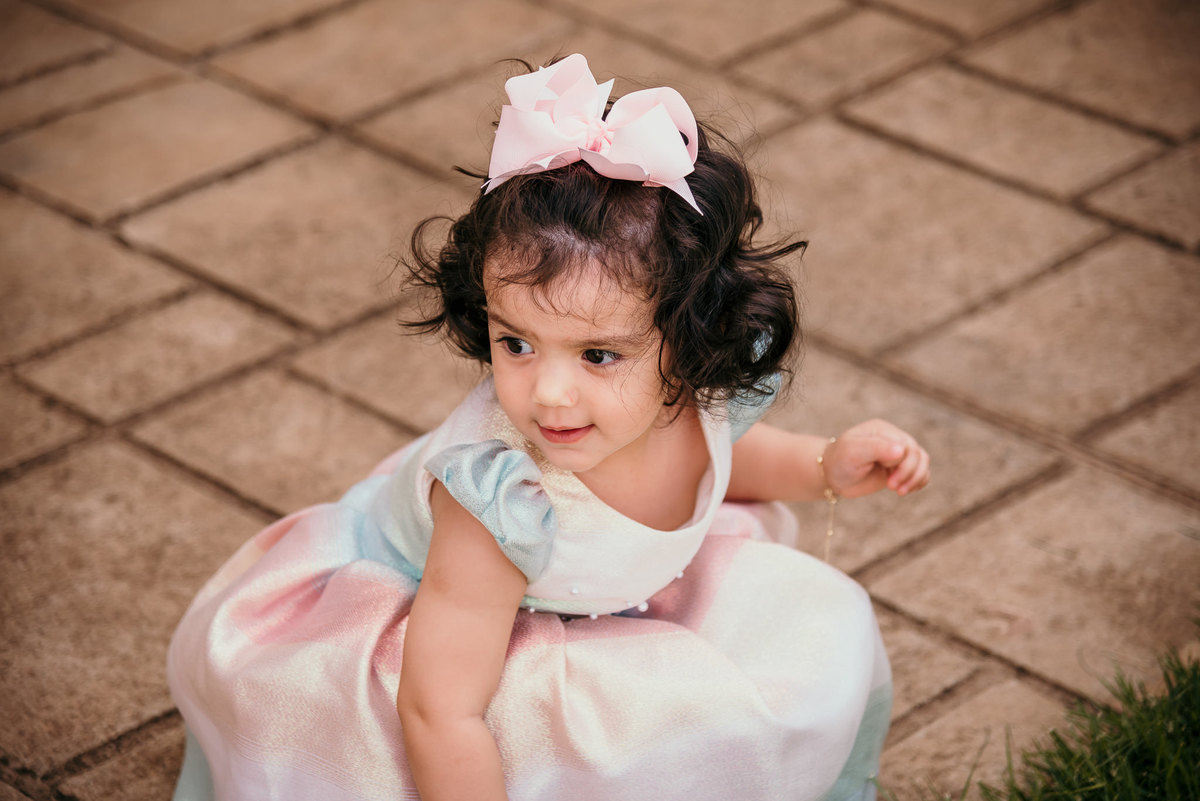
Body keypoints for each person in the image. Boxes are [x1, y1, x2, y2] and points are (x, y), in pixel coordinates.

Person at [167, 53, 930, 801]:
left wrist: (826, 464)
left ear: (689, 338)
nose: (549, 394)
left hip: (591, 589)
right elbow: (438, 709)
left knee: (809, 641)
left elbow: (720, 455)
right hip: (458, 628)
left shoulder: (684, 395)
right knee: (579, 734)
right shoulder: (495, 504)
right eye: (516, 343)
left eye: (598, 354)